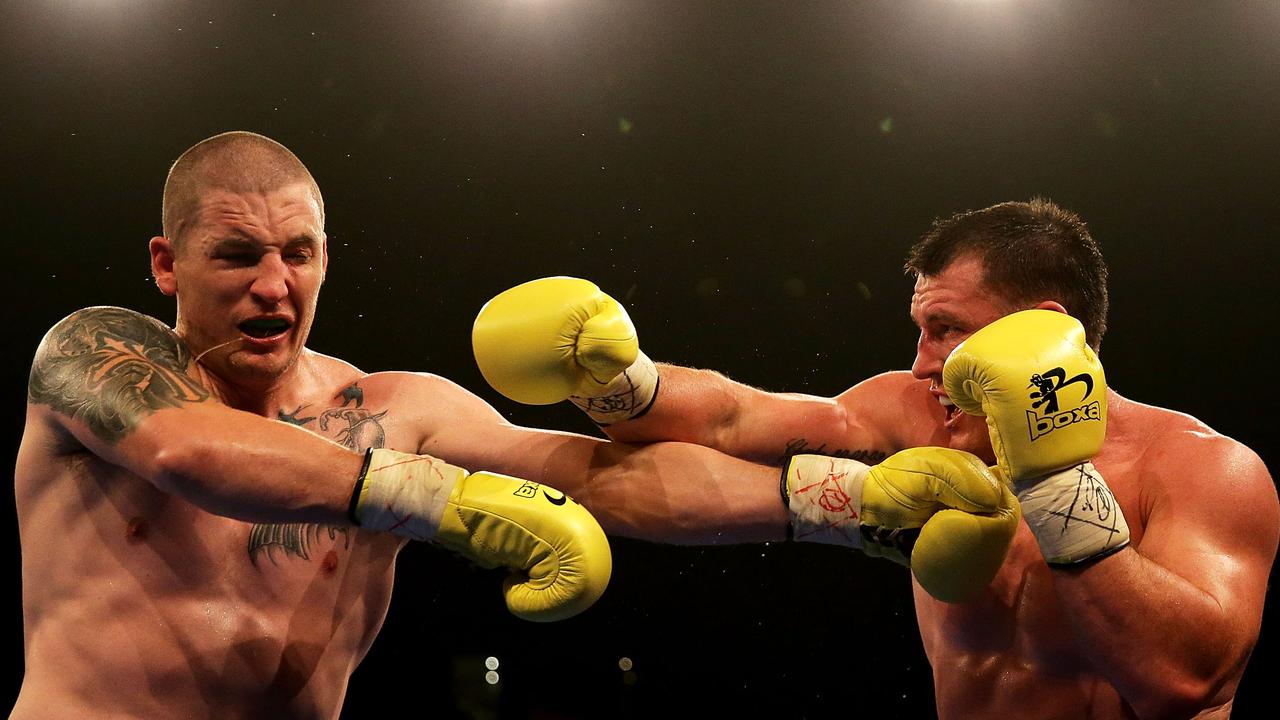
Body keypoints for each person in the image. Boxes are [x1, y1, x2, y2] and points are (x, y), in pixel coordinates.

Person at [14, 131, 1016, 718]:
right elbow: (194, 454)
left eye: (300, 253)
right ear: (165, 263)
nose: (275, 287)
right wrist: (445, 500)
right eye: (236, 256)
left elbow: (593, 476)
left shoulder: (397, 409)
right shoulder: (93, 358)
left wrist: (847, 503)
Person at [473, 198, 1280, 719]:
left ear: (1042, 327)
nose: (925, 362)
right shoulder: (913, 411)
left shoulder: (1203, 468)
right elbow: (729, 422)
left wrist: (1052, 479)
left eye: (948, 328)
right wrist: (621, 382)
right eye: (920, 327)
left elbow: (1185, 682)